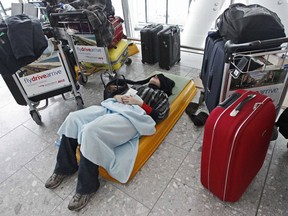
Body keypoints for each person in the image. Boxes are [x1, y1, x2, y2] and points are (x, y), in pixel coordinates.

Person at [45, 73, 175, 211]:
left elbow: (159, 116)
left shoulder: (162, 96)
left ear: (164, 84)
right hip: (113, 107)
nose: (154, 77)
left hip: (133, 118)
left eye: (159, 77)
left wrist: (140, 103)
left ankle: (87, 188)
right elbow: (113, 97)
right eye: (154, 75)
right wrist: (117, 97)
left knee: (91, 131)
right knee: (73, 118)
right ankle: (64, 167)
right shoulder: (137, 87)